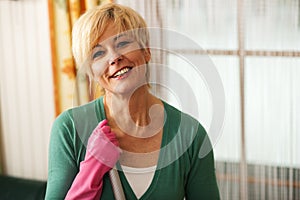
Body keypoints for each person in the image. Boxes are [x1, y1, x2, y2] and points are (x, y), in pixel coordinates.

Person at [45, 3, 220, 200]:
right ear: (91, 73)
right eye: (98, 53)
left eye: (122, 43)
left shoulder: (191, 135)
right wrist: (90, 170)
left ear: (146, 51)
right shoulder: (70, 129)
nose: (114, 58)